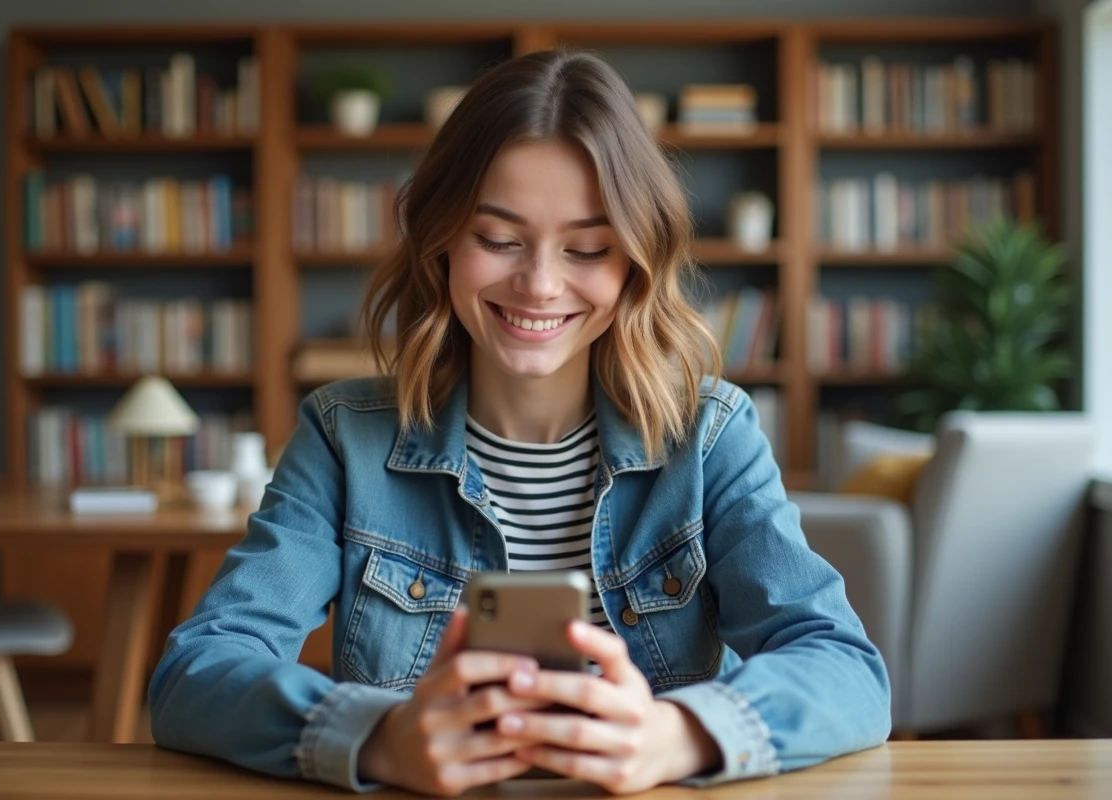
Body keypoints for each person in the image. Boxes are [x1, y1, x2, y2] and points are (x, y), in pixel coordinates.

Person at [149, 48, 891, 796]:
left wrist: (678, 736)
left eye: (589, 248)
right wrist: (379, 738)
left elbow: (846, 669)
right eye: (498, 239)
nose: (539, 284)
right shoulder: (345, 438)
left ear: (635, 258)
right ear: (440, 240)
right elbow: (197, 672)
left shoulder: (711, 435)